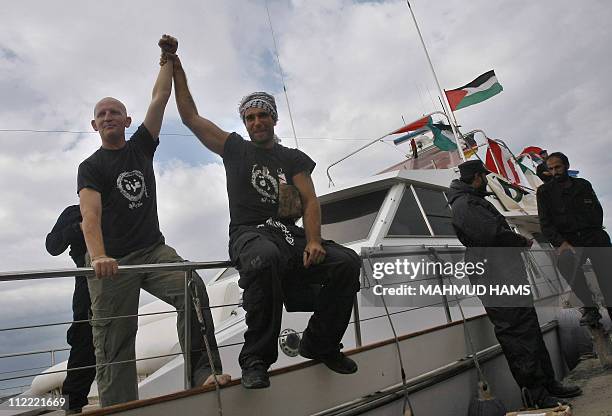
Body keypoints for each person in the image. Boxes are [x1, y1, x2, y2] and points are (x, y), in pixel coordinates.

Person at [167, 43, 361, 389]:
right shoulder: (235, 149)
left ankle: (320, 343)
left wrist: (314, 240)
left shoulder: (293, 157)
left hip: (289, 236)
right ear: (245, 122)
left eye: (263, 115)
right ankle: (256, 360)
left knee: (346, 261)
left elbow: (311, 201)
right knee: (263, 258)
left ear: (273, 118)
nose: (257, 122)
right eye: (250, 117)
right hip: (249, 234)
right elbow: (190, 117)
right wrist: (175, 66)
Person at [77, 35, 228, 407]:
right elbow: (89, 217)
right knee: (114, 338)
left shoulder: (141, 147)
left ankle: (202, 371)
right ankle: (119, 407)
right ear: (94, 125)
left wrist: (167, 59)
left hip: (152, 250)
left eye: (115, 112)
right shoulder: (91, 167)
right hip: (111, 261)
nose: (108, 116)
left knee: (191, 285)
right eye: (102, 114)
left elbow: (159, 99)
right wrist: (98, 257)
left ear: (127, 120)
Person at [448, 160, 581, 408]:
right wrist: (520, 241)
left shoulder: (470, 201)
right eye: (484, 176)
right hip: (494, 274)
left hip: (503, 271)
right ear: (477, 177)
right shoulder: (465, 204)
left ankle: (549, 384)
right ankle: (537, 395)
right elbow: (491, 235)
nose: (486, 181)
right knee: (517, 335)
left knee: (528, 328)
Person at [536, 152, 612, 326]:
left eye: (558, 167)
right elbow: (545, 223)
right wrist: (560, 242)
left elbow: (597, 211)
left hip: (595, 238)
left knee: (609, 282)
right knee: (565, 262)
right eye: (551, 169)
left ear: (566, 166)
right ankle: (590, 306)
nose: (555, 172)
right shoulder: (545, 192)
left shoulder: (584, 185)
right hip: (570, 241)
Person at [46, 205, 95, 414]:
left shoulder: (116, 207)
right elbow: (52, 245)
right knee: (83, 341)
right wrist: (79, 227)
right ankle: (73, 405)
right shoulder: (73, 212)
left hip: (119, 280)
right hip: (86, 284)